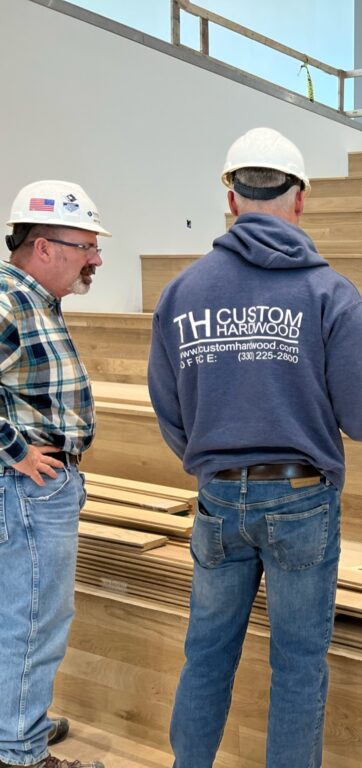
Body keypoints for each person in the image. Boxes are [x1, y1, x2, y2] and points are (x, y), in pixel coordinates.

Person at [147, 127, 362, 768]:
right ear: (301, 199)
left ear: (230, 199)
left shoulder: (181, 293)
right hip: (301, 501)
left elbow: (170, 411)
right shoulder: (330, 294)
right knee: (297, 664)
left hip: (217, 501)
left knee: (206, 653)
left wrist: (214, 464)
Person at [0, 180, 109, 768]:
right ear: (43, 247)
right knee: (35, 620)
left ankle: (19, 724)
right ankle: (19, 750)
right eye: (85, 246)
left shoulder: (34, 299)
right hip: (28, 488)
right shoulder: (10, 299)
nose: (95, 259)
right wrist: (16, 450)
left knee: (25, 614)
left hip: (33, 489)